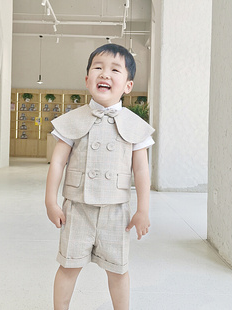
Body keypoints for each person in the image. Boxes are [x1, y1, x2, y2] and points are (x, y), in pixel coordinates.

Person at [45, 43, 155, 310]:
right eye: (98, 68)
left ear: (128, 85)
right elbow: (57, 162)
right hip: (77, 209)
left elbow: (141, 170)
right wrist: (51, 201)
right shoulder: (74, 119)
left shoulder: (134, 126)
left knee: (118, 270)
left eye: (115, 70)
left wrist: (143, 210)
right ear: (87, 80)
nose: (105, 74)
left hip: (116, 213)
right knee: (68, 266)